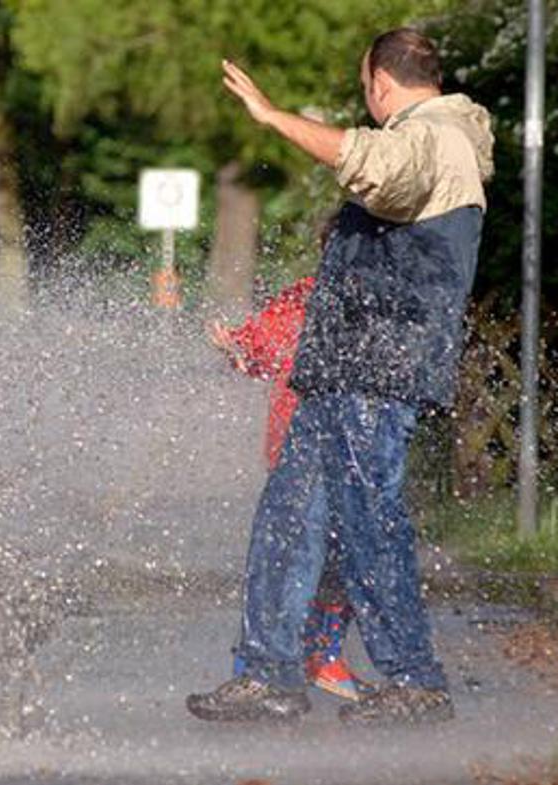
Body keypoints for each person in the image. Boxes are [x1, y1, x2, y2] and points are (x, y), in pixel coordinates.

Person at [187, 28, 494, 725]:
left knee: (368, 519)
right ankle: (268, 672)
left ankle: (416, 678)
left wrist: (273, 118)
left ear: (381, 84)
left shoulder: (437, 136)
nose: (367, 101)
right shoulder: (433, 135)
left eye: (365, 89)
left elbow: (373, 164)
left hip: (377, 369)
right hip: (340, 370)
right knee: (289, 515)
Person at [209, 230, 366, 702]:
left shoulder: (377, 304)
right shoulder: (305, 297)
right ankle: (261, 661)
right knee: (290, 555)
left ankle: (323, 651)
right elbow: (259, 349)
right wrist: (234, 345)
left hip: (357, 455)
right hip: (296, 452)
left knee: (346, 561)